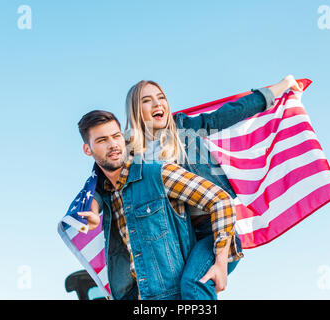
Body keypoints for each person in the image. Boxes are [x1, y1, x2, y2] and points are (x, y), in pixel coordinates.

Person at [124, 75, 303, 299]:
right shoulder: (130, 155)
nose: (158, 104)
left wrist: (283, 85)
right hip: (176, 240)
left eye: (161, 98)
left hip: (215, 229)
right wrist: (92, 207)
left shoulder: (183, 128)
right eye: (147, 100)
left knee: (194, 283)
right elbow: (103, 178)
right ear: (135, 110)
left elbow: (229, 113)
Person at [76, 110, 242, 300]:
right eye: (102, 140)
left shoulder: (157, 173)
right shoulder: (107, 197)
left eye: (116, 136)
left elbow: (220, 200)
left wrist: (220, 264)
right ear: (87, 150)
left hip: (177, 294)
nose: (113, 144)